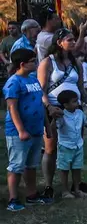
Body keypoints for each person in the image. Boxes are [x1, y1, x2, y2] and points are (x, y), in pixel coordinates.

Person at [37, 28, 87, 199]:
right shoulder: (48, 62)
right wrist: (49, 108)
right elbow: (41, 89)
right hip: (55, 109)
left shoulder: (76, 63)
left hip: (74, 109)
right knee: (51, 148)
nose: (73, 42)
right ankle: (49, 185)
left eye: (74, 39)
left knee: (76, 145)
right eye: (69, 40)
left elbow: (81, 87)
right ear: (59, 43)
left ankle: (76, 185)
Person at [5, 49, 45, 211]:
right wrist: (21, 130)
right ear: (22, 64)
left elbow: (40, 104)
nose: (36, 63)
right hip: (19, 132)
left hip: (36, 130)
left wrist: (47, 127)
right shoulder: (14, 82)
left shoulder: (33, 80)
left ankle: (32, 194)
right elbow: (12, 108)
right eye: (33, 61)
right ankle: (13, 199)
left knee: (31, 164)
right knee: (16, 165)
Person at [53, 90, 87, 199]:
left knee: (77, 168)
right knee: (64, 169)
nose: (77, 103)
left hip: (78, 146)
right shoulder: (61, 115)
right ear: (65, 105)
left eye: (77, 100)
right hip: (65, 146)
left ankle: (77, 189)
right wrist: (54, 118)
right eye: (74, 101)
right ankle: (65, 191)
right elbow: (53, 128)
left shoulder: (80, 113)